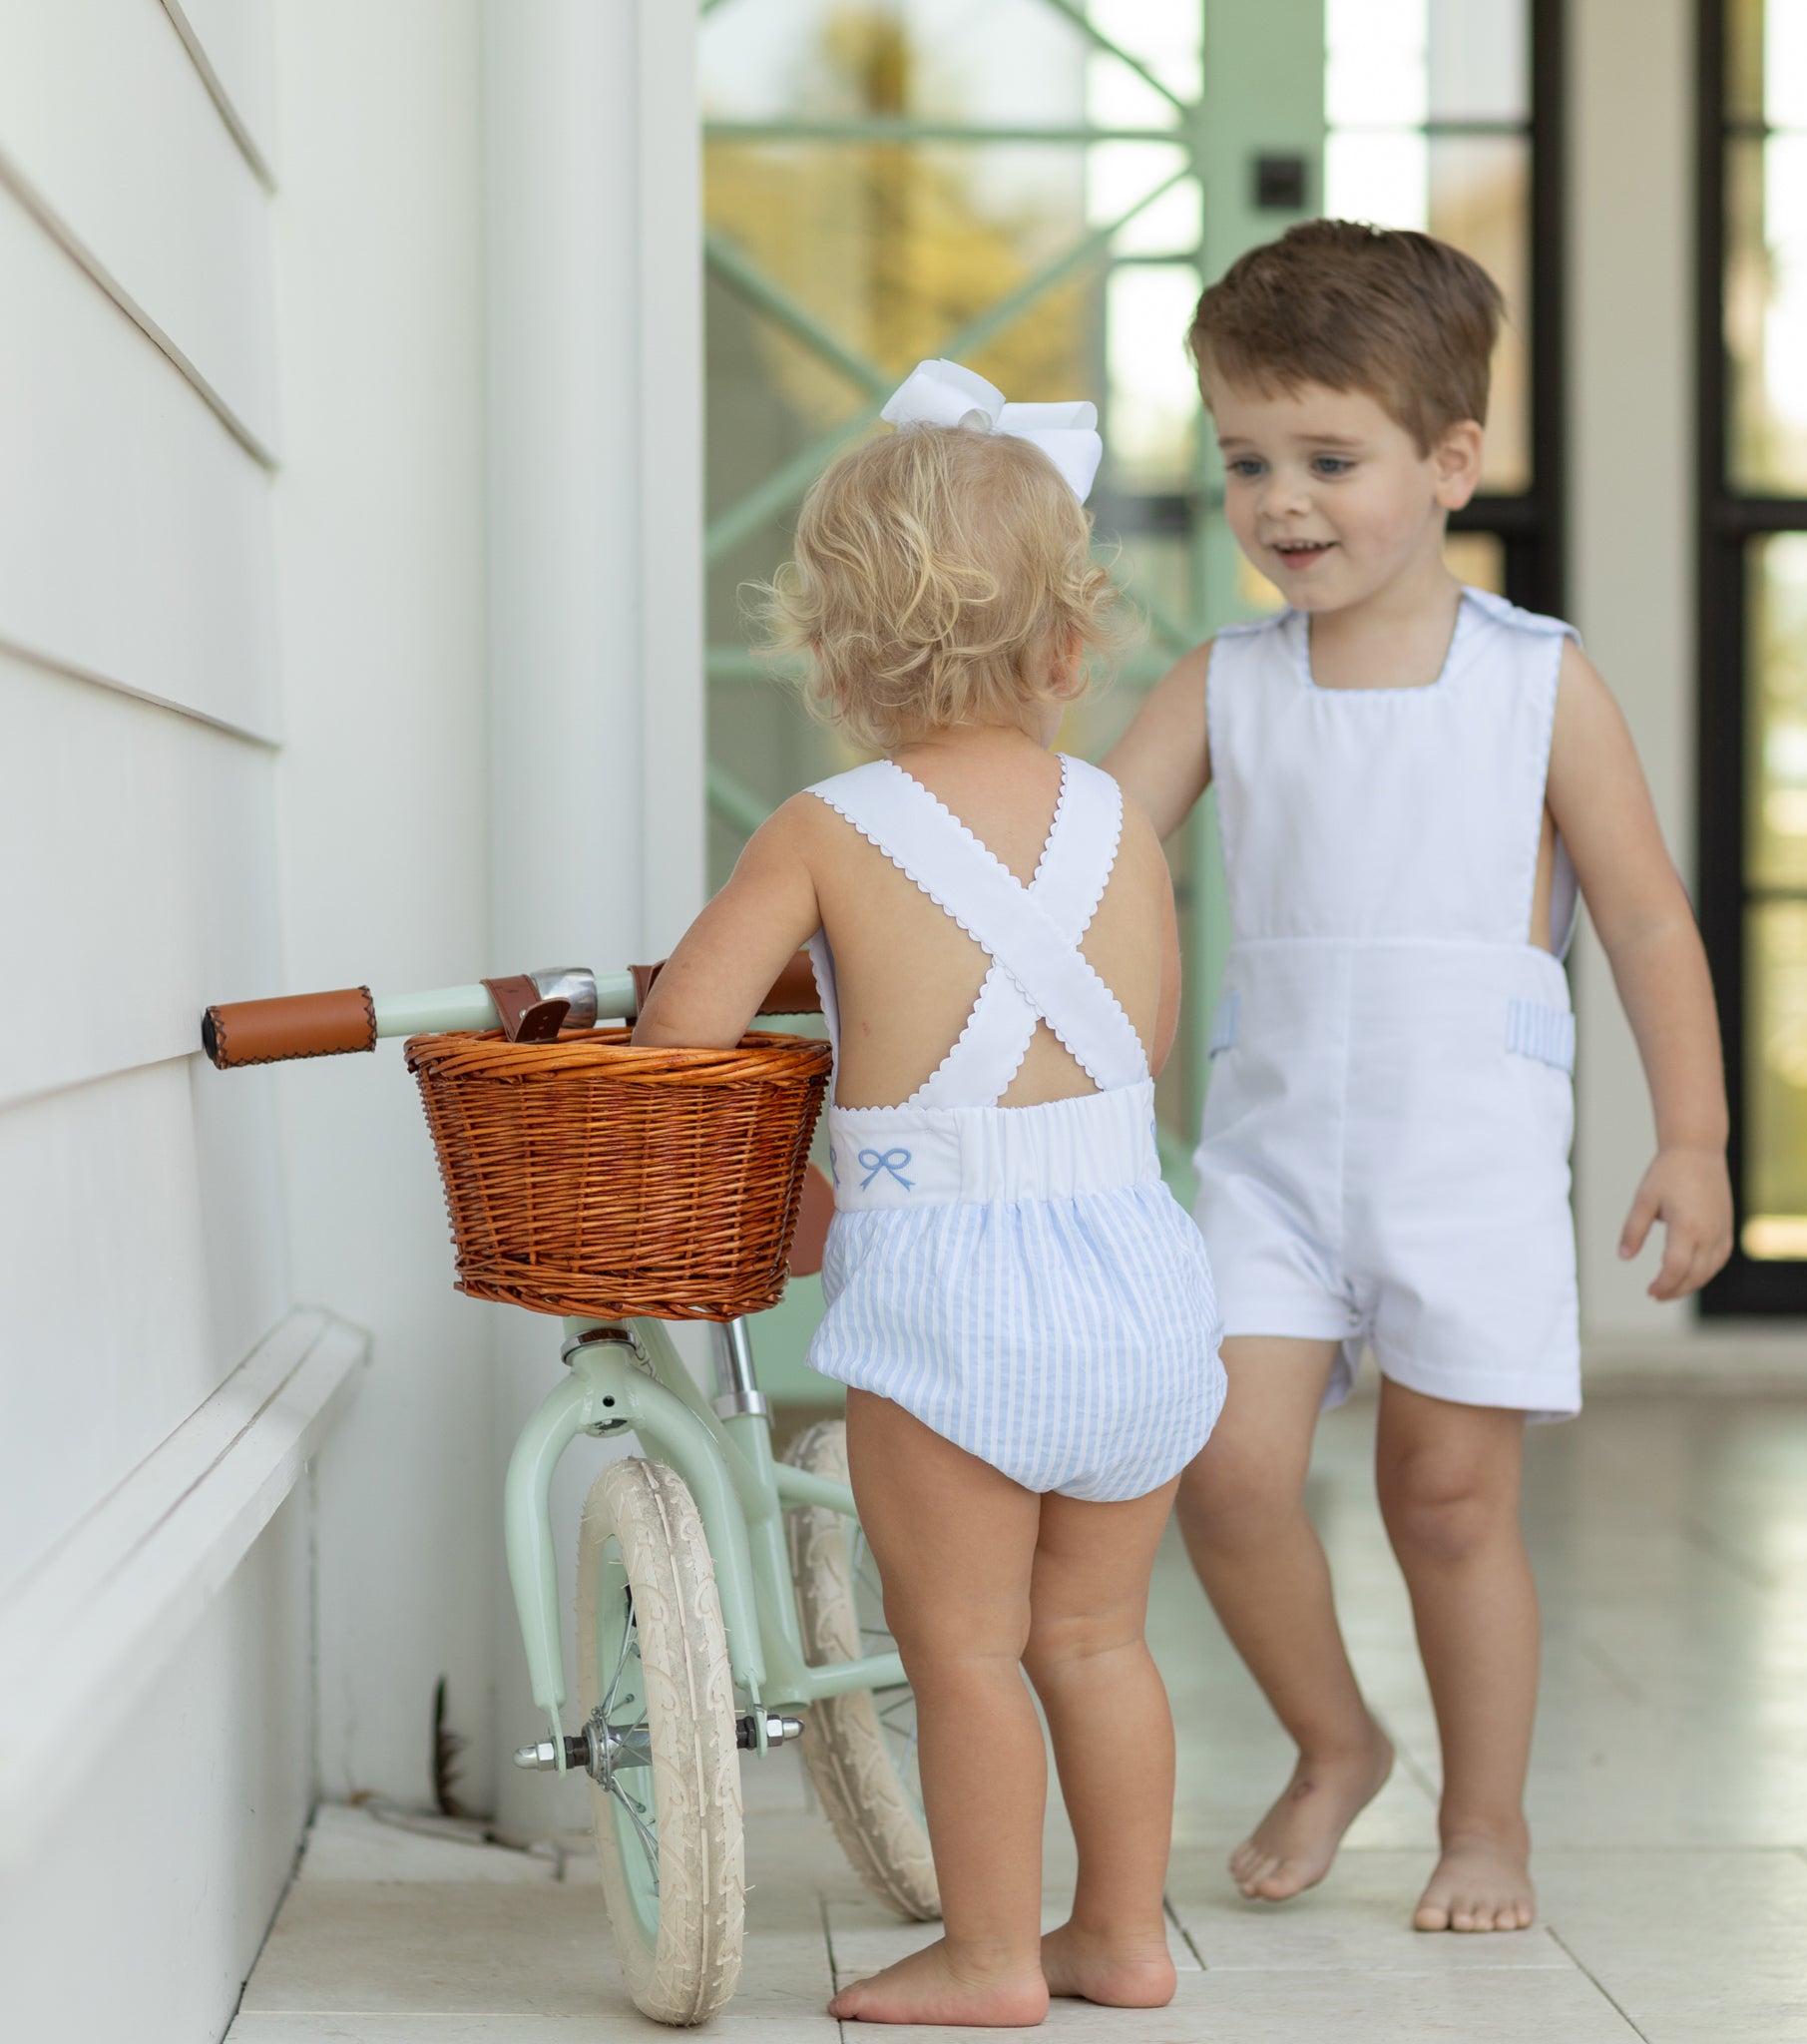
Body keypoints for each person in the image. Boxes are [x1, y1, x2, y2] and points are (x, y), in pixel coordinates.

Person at [1103, 221, 1733, 1935]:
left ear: (1451, 463)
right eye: (1246, 462)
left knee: (1446, 1502)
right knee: (1223, 1471)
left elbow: (1651, 922)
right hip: (1274, 1158)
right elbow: (1085, 856)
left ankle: (1488, 1825)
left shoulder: (1539, 683)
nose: (1282, 502)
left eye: (1330, 459)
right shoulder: (1228, 683)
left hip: (1466, 1160)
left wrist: (1693, 1138)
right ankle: (1332, 1742)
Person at [636, 359, 1227, 2026]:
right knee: (1095, 1641)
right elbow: (1148, 1048)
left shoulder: (825, 831)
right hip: (1133, 1270)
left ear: (831, 655)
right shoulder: (1119, 818)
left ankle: (987, 1960)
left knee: (961, 1649)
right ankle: (1119, 1938)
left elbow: (691, 1028)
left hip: (953, 1294)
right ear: (1068, 643)